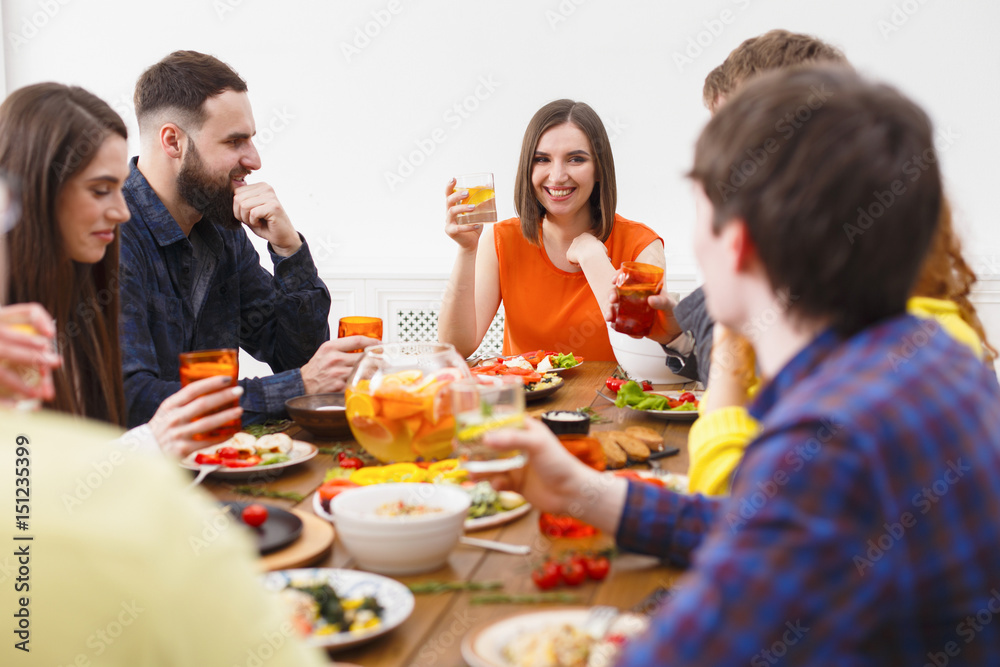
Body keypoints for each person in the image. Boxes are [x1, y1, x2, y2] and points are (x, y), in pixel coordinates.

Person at [486, 66, 1000, 664]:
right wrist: (592, 495)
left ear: (738, 243)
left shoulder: (829, 438)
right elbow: (765, 529)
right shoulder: (926, 358)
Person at [120, 50, 372, 428]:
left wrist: (289, 251)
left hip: (220, 462)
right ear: (173, 142)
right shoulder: (109, 234)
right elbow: (134, 401)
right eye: (235, 142)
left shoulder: (221, 230)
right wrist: (298, 384)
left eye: (251, 140)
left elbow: (294, 358)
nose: (254, 160)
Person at [0, 82, 243, 455]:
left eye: (119, 188)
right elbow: (24, 498)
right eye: (100, 190)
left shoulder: (83, 289)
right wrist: (151, 443)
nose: (122, 211)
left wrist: (288, 248)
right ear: (33, 192)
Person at [438, 99, 664, 361]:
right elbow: (455, 348)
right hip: (528, 401)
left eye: (576, 159)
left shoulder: (643, 245)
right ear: (528, 168)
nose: (557, 176)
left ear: (599, 169)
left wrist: (594, 259)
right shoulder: (502, 240)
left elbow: (645, 349)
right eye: (542, 159)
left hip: (610, 400)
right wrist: (467, 250)